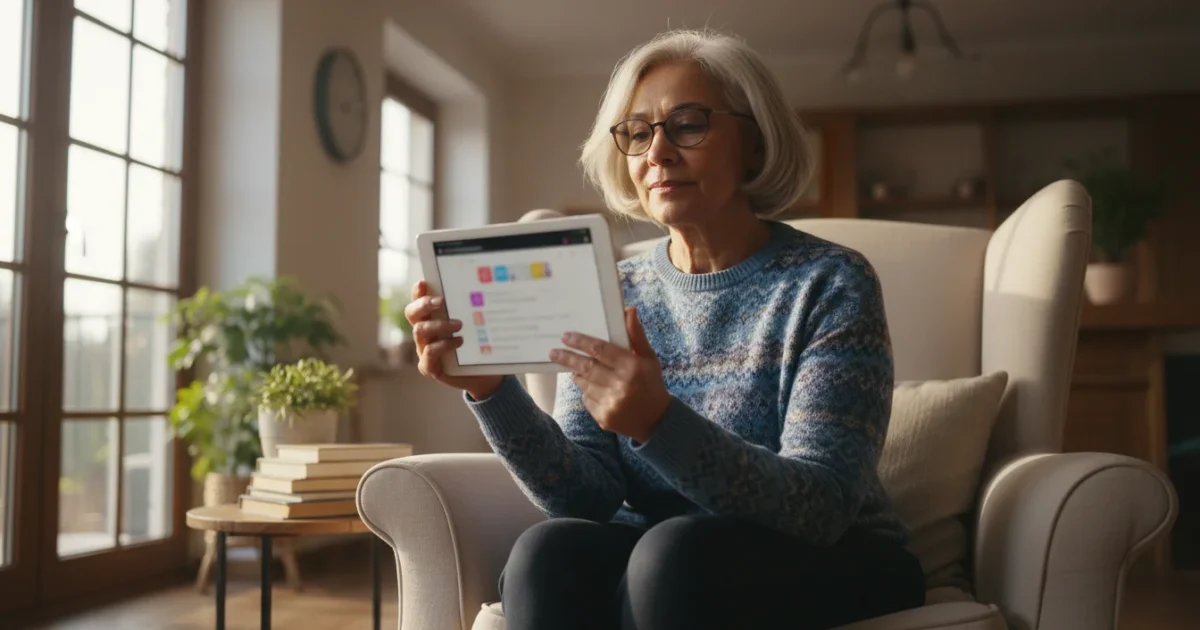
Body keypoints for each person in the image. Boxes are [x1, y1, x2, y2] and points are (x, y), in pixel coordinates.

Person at [405, 28, 925, 630]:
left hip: (836, 554)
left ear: (755, 143)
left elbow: (822, 506)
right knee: (545, 554)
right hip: (667, 555)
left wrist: (659, 424)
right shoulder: (615, 288)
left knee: (673, 553)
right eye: (637, 132)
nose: (657, 152)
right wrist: (491, 390)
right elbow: (586, 497)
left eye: (688, 124)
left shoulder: (830, 282)